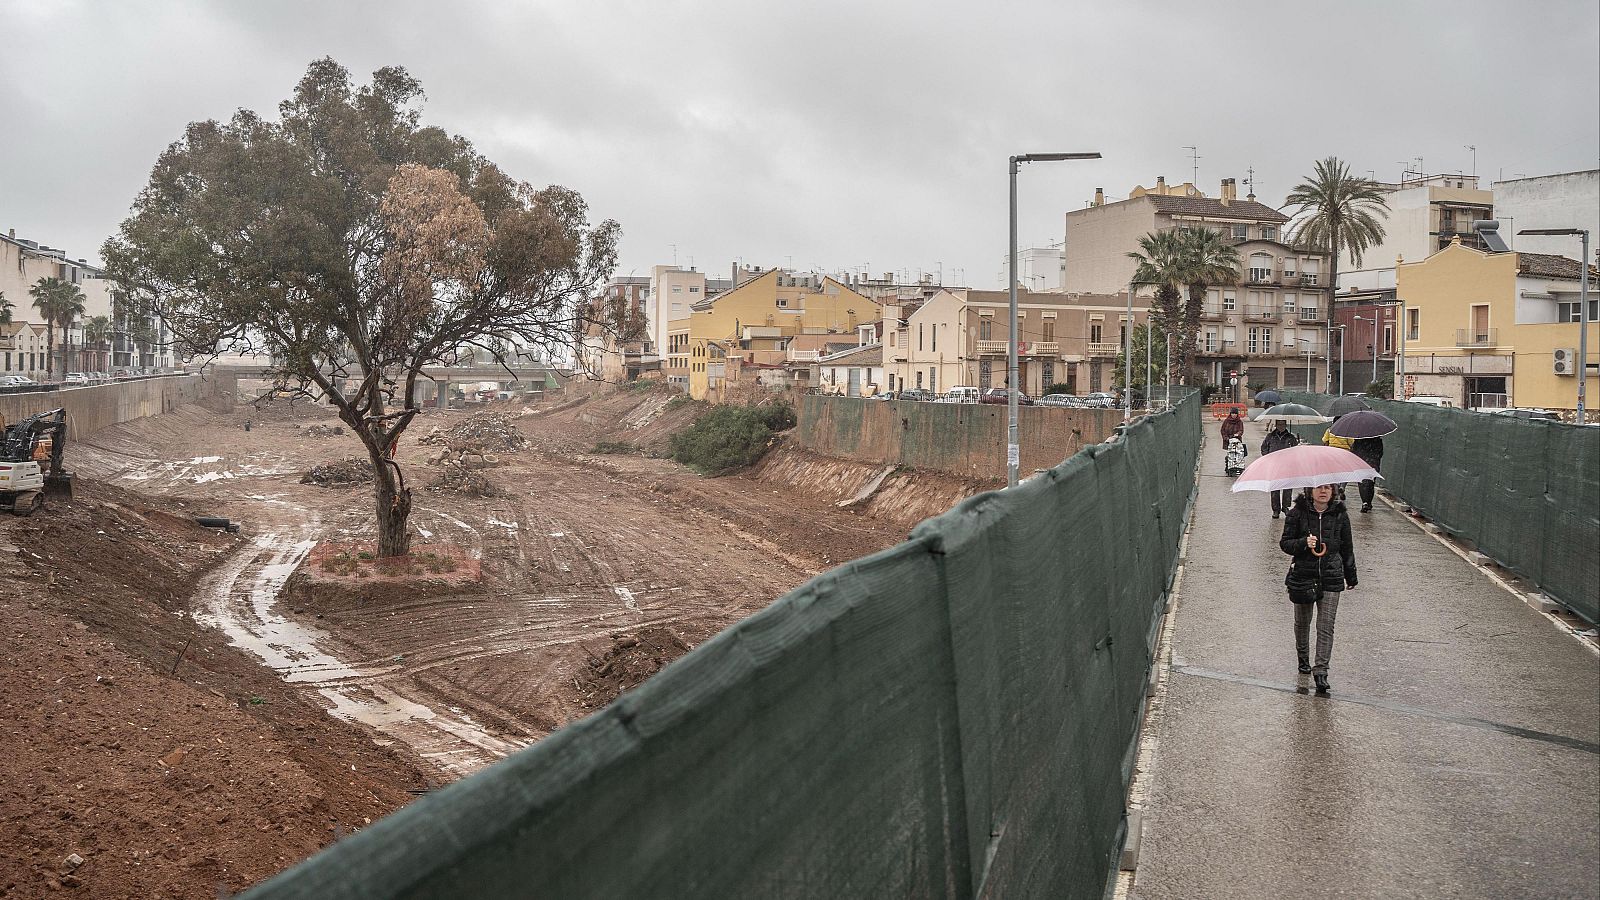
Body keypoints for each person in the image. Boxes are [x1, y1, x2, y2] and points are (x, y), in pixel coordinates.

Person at [1280, 484, 1357, 693]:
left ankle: (1321, 670)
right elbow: (1285, 543)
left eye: (1327, 488)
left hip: (1331, 577)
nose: (1323, 492)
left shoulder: (1341, 515)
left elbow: (1347, 547)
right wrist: (1304, 543)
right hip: (1303, 576)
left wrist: (1351, 576)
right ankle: (1303, 658)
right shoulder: (1297, 513)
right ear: (1309, 491)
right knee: (1303, 622)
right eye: (1318, 488)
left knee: (1326, 625)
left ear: (1333, 492)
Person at [1260, 419, 1301, 518]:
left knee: (1287, 487)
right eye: (1279, 424)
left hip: (1287, 465)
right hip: (1274, 465)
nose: (1281, 426)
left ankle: (1285, 506)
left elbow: (1296, 451)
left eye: (1283, 424)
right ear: (1276, 425)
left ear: (1286, 425)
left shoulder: (1291, 437)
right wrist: (1267, 457)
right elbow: (1264, 448)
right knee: (1275, 488)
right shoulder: (1270, 436)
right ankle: (1276, 509)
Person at [1351, 435, 1383, 512]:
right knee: (1371, 483)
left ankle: (1364, 502)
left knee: (1362, 483)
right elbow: (1380, 453)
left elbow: (1354, 451)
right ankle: (1368, 502)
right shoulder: (1378, 440)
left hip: (1361, 463)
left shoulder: (1359, 439)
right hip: (1373, 464)